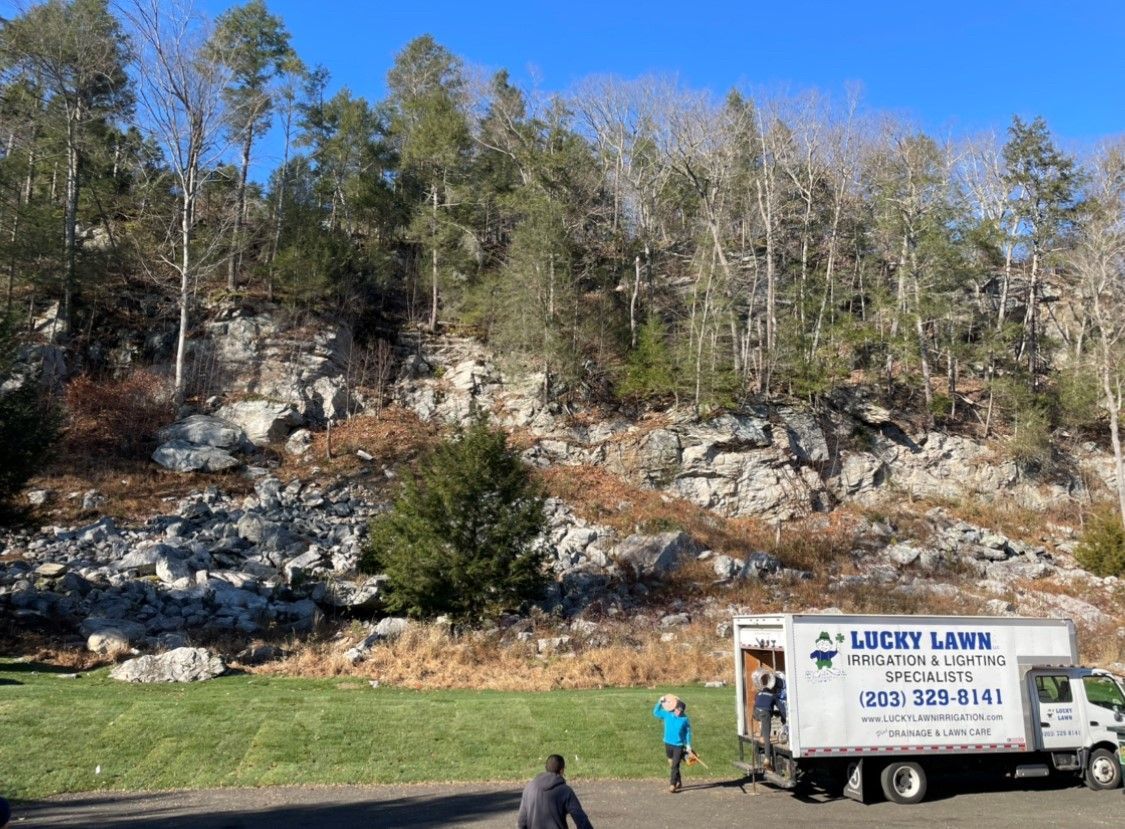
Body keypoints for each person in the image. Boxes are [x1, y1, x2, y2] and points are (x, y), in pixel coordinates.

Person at [517, 754, 594, 829]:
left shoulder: (529, 788)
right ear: (562, 770)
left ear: (546, 768)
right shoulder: (565, 791)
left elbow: (521, 821)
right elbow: (581, 820)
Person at [652, 693, 693, 793]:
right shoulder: (667, 714)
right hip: (668, 743)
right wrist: (659, 702)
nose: (678, 712)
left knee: (675, 765)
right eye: (677, 710)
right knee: (671, 764)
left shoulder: (684, 719)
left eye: (680, 711)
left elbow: (687, 732)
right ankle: (678, 781)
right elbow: (655, 713)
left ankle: (672, 784)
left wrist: (688, 745)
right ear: (674, 708)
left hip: (678, 745)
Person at [753, 678, 785, 770]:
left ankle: (761, 736)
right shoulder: (773, 695)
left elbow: (760, 703)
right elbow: (782, 709)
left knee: (765, 720)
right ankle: (767, 759)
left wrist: (772, 712)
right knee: (768, 736)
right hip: (764, 714)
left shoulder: (758, 693)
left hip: (756, 713)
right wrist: (784, 719)